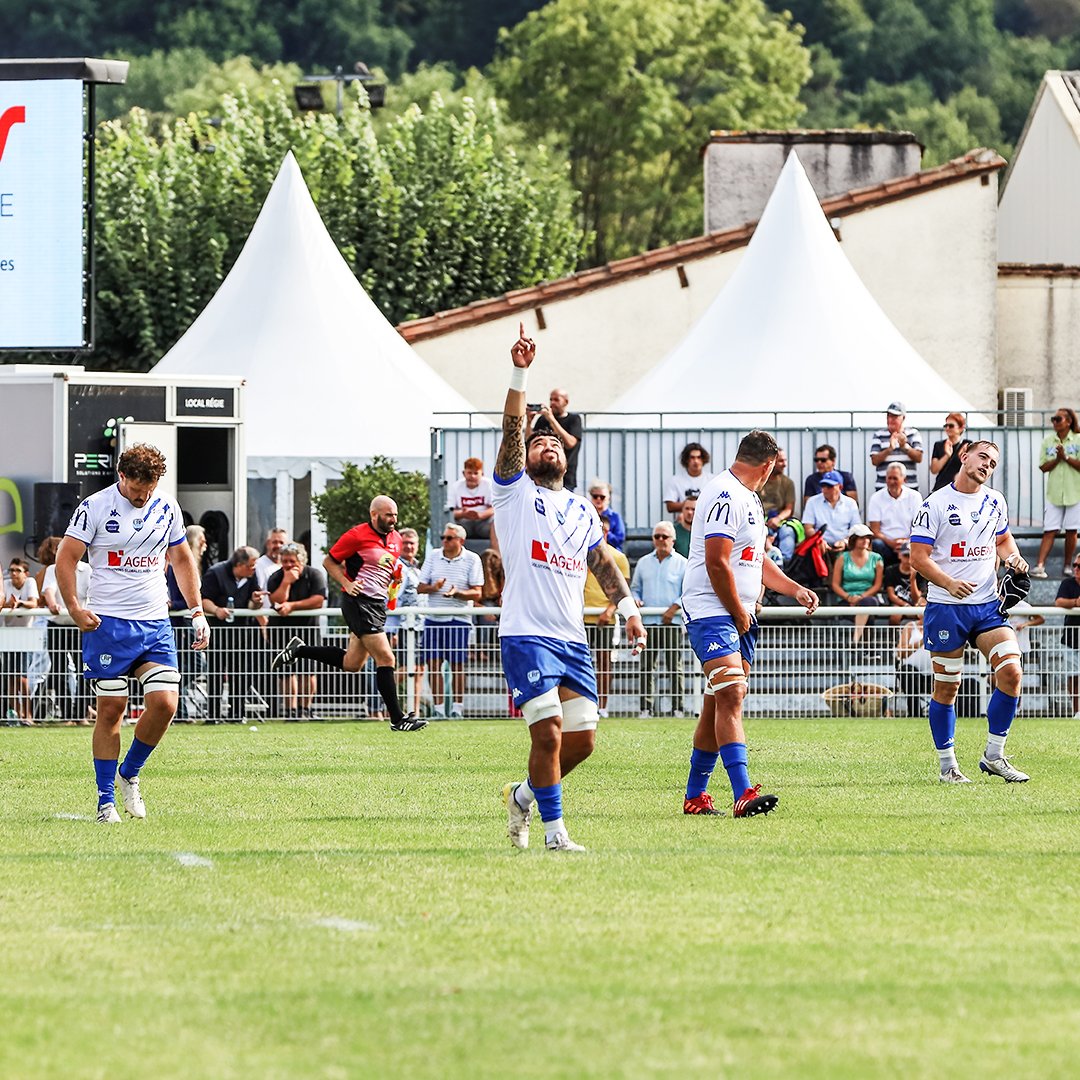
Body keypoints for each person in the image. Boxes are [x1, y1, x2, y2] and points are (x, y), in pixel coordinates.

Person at [498, 323, 645, 853]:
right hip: (526, 633)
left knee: (582, 742)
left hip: (572, 637)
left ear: (566, 457)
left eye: (553, 443)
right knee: (549, 733)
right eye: (538, 443)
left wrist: (628, 607)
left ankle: (522, 796)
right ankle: (555, 835)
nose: (547, 446)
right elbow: (512, 431)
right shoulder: (515, 494)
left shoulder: (582, 507)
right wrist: (520, 373)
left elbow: (601, 561)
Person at [56, 443, 209, 823]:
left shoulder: (167, 506)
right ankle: (105, 801)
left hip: (155, 622)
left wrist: (197, 611)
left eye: (150, 489)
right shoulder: (95, 506)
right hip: (108, 623)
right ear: (121, 476)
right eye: (138, 489)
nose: (143, 497)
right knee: (112, 709)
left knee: (166, 703)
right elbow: (66, 558)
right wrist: (74, 607)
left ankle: (129, 773)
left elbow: (181, 559)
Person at [680, 430, 819, 818]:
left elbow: (754, 560)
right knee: (731, 694)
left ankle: (695, 796)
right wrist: (739, 611)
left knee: (718, 701)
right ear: (769, 465)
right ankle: (742, 793)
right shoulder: (725, 494)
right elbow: (717, 562)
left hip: (738, 610)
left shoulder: (749, 498)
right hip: (711, 608)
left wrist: (794, 588)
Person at [909, 440, 1031, 783]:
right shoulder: (934, 504)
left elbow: (1002, 540)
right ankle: (948, 766)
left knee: (1012, 672)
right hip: (947, 607)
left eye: (993, 463)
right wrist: (948, 583)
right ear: (964, 457)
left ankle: (994, 756)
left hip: (987, 606)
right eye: (983, 457)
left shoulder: (995, 501)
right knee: (948, 688)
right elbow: (918, 558)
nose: (987, 465)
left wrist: (1013, 558)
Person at [270, 496, 426, 731]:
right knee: (386, 659)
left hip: (377, 604)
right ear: (374, 515)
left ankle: (299, 650)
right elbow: (329, 562)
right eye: (388, 515)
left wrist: (394, 576)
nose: (393, 519)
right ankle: (397, 719)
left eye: (395, 515)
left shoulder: (395, 538)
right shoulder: (356, 535)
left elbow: (386, 565)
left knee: (352, 663)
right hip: (358, 602)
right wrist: (346, 583)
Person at [416, 522, 484, 718]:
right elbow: (420, 587)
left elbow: (477, 592)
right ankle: (438, 710)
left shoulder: (472, 559)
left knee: (457, 665)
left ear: (461, 540)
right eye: (443, 538)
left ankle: (457, 710)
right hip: (433, 619)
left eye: (449, 538)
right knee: (433, 665)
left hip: (459, 619)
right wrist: (434, 588)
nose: (444, 541)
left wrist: (458, 593)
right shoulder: (433, 556)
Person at [199, 546, 263, 723]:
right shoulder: (215, 573)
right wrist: (216, 610)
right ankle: (213, 715)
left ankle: (237, 713)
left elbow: (252, 604)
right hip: (218, 633)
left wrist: (256, 601)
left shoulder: (251, 576)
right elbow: (203, 599)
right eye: (251, 565)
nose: (254, 569)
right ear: (239, 565)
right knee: (215, 674)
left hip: (242, 634)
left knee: (241, 674)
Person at [631, 521, 687, 718]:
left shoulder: (682, 563)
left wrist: (674, 607)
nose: (661, 540)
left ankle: (677, 708)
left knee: (675, 667)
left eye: (665, 536)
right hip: (648, 623)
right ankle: (646, 708)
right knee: (646, 666)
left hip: (672, 623)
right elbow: (635, 588)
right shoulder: (643, 562)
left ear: (673, 540)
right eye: (657, 536)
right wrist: (636, 599)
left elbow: (688, 592)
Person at [267, 542, 328, 720]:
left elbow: (318, 600)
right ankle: (290, 711)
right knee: (286, 672)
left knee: (308, 671)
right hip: (281, 631)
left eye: (292, 561)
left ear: (301, 561)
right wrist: (287, 582)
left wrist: (292, 606)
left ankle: (305, 709)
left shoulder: (314, 574)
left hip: (308, 629)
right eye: (284, 561)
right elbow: (276, 601)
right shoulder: (276, 577)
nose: (288, 565)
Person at [37, 536, 93, 724]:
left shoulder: (87, 569)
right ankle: (68, 715)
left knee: (84, 669)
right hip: (57, 625)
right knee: (59, 670)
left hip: (80, 627)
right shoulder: (53, 569)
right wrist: (52, 604)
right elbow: (49, 590)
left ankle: (81, 714)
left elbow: (94, 593)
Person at [583, 516, 630, 719]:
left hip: (605, 618)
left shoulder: (617, 557)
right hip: (581, 617)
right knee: (580, 663)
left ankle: (602, 706)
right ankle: (584, 704)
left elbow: (623, 588)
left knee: (604, 663)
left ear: (607, 532)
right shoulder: (580, 554)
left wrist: (610, 610)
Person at [1031, 407, 1080, 579]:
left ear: (1069, 421)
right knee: (1050, 529)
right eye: (1053, 419)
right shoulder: (1048, 441)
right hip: (1054, 493)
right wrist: (1058, 459)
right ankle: (1040, 565)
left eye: (1058, 419)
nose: (1054, 422)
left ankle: (1068, 565)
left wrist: (1065, 457)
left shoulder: (1078, 439)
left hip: (1075, 492)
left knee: (1071, 530)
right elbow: (1043, 466)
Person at [167, 525, 207, 723]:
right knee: (193, 664)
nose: (205, 544)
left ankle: (179, 708)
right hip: (181, 623)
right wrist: (174, 604)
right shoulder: (178, 566)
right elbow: (182, 598)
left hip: (186, 621)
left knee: (190, 666)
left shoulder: (191, 564)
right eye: (202, 539)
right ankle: (178, 707)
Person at [383, 527, 424, 718]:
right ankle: (383, 697)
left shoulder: (417, 567)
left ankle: (413, 710)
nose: (408, 547)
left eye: (412, 543)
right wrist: (395, 628)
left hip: (417, 624)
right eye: (405, 543)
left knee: (419, 669)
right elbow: (393, 597)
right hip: (400, 625)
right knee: (407, 667)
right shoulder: (396, 565)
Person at [831, 524, 883, 649]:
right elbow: (835, 584)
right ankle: (869, 650)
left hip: (868, 597)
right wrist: (849, 597)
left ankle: (855, 641)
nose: (865, 540)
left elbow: (877, 585)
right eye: (861, 538)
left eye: (868, 537)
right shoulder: (842, 558)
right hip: (846, 600)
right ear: (853, 540)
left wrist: (861, 597)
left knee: (868, 603)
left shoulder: (876, 558)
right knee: (868, 614)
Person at [3, 558, 39, 724]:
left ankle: (27, 714)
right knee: (11, 677)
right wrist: (9, 604)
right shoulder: (5, 584)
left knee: (23, 677)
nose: (14, 574)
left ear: (26, 574)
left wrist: (19, 603)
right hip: (8, 635)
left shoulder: (30, 582)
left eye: (17, 570)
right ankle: (16, 714)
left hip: (26, 635)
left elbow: (34, 603)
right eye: (11, 570)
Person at [526, 387, 582, 491]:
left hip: (565, 478)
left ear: (566, 402)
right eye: (551, 399)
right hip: (541, 475)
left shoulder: (574, 419)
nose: (552, 403)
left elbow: (570, 443)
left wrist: (551, 419)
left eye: (556, 400)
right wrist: (529, 422)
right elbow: (530, 442)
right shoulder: (543, 420)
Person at [867, 461, 922, 564]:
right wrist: (891, 543)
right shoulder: (876, 498)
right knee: (876, 544)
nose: (891, 482)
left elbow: (919, 526)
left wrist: (906, 542)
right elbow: (875, 530)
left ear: (904, 479)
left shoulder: (915, 497)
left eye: (895, 478)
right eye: (889, 478)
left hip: (909, 542)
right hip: (885, 543)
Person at [803, 470, 862, 552]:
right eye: (823, 486)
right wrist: (819, 541)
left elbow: (856, 528)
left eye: (829, 486)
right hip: (819, 546)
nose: (825, 489)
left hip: (845, 546)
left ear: (840, 487)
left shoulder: (851, 503)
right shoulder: (812, 502)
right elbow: (808, 528)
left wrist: (845, 542)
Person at [869, 402, 923, 490]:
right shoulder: (878, 435)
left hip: (909, 489)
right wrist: (889, 449)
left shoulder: (913, 434)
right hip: (883, 489)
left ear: (903, 418)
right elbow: (874, 460)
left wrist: (905, 447)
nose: (891, 419)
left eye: (895, 416)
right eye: (889, 416)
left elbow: (919, 458)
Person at [1055, 557, 1080, 717]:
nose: (1076, 568)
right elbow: (1059, 602)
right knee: (1073, 677)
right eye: (1074, 565)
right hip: (1071, 639)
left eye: (1079, 566)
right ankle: (1077, 711)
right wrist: (1076, 602)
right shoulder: (1067, 583)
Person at [448, 457, 495, 540]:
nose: (472, 476)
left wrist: (481, 515)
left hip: (484, 522)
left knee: (495, 522)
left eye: (476, 473)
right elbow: (450, 512)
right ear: (464, 473)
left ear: (482, 474)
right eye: (469, 473)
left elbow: (494, 508)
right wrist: (462, 514)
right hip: (464, 524)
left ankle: (495, 548)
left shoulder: (489, 485)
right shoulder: (456, 486)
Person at [802, 445, 858, 509]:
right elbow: (808, 505)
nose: (819, 463)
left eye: (823, 460)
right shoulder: (811, 480)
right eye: (816, 460)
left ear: (833, 461)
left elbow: (853, 504)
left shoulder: (846, 477)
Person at [665, 443, 713, 515]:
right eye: (692, 457)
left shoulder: (712, 480)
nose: (696, 461)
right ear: (686, 460)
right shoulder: (675, 481)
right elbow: (670, 506)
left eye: (699, 457)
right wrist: (690, 505)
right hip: (684, 520)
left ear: (703, 459)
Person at [883, 544, 923, 625]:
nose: (908, 559)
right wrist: (906, 605)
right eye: (906, 556)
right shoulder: (890, 570)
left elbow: (917, 599)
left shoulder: (921, 572)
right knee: (896, 615)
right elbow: (891, 595)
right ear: (899, 555)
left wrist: (912, 580)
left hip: (916, 605)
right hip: (898, 604)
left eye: (911, 556)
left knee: (923, 614)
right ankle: (894, 634)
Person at [929, 413, 969, 491]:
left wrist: (963, 457)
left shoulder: (967, 445)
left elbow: (970, 468)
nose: (947, 428)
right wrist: (947, 455)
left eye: (951, 426)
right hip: (941, 486)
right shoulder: (939, 445)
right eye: (945, 426)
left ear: (961, 428)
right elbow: (934, 470)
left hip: (958, 487)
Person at [759, 447, 795, 523]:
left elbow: (789, 509)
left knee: (787, 530)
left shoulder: (788, 483)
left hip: (779, 521)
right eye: (781, 461)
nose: (785, 464)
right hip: (759, 519)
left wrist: (778, 519)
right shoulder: (758, 481)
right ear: (771, 463)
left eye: (785, 460)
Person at [587, 480, 625, 550]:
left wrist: (605, 532)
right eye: (595, 496)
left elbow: (619, 540)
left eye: (602, 497)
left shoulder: (615, 517)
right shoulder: (587, 515)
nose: (598, 499)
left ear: (608, 498)